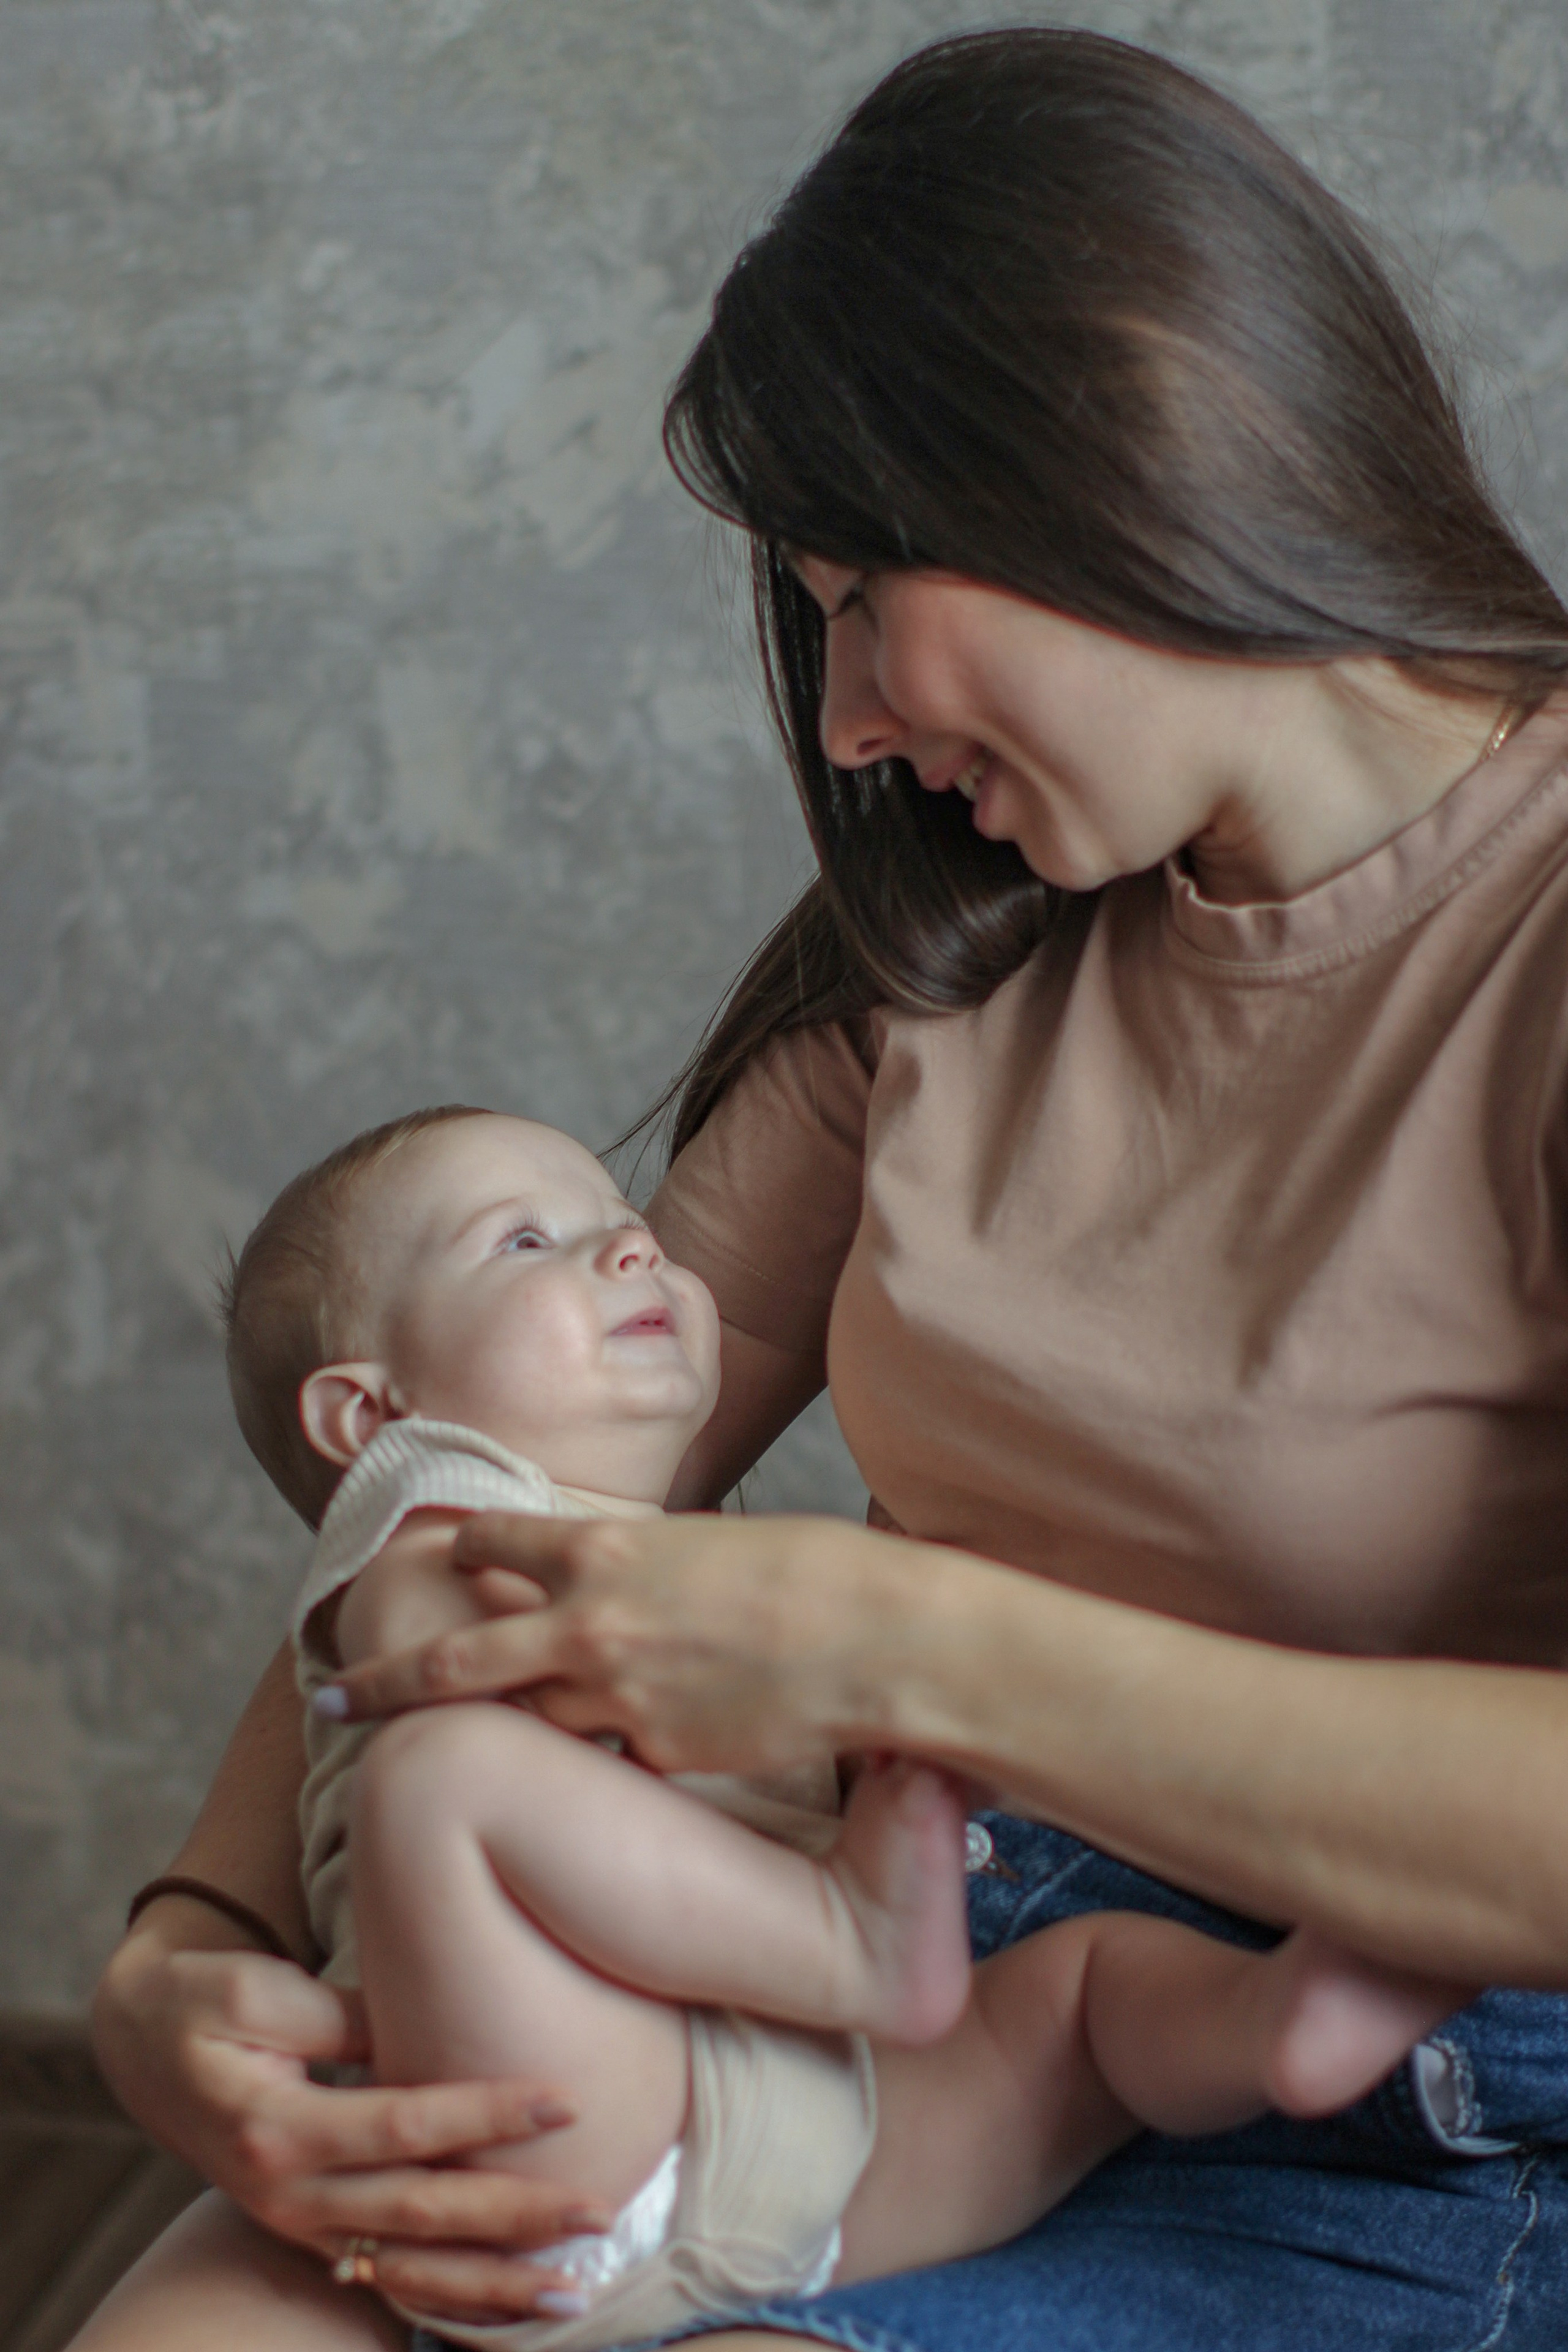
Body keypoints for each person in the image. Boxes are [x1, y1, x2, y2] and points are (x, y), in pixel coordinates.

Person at [81, 24, 1568, 2352]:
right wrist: (191, 1954)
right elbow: (478, 1453)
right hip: (874, 1987)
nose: (850, 714)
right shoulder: (949, 951)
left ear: (1119, 429)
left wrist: (903, 1646)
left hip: (1398, 2088)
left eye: (866, 588)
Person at [215, 1099, 1460, 2352]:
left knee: (1079, 1999)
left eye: (625, 1219)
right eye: (525, 1242)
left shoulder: (677, 1568)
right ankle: (851, 1933)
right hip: (551, 2148)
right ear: (368, 1416)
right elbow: (439, 1661)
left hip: (830, 2152)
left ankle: (1275, 2027)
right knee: (443, 1769)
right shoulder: (424, 1520)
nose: (632, 1249)